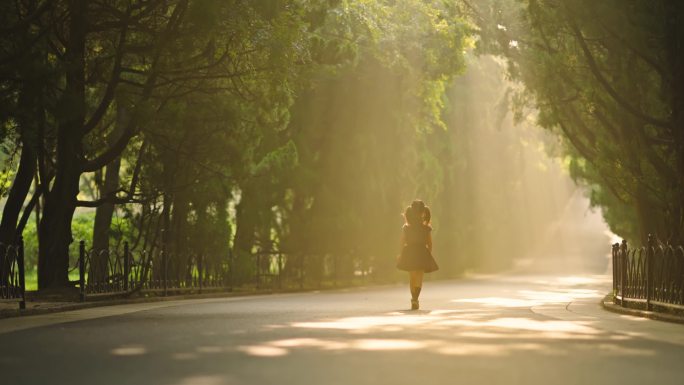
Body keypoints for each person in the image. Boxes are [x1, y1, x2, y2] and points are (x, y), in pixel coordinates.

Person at [396, 200, 439, 310]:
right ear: (423, 213)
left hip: (410, 252)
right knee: (419, 276)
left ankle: (413, 299)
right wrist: (428, 254)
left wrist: (400, 254)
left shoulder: (406, 228)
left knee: (412, 277)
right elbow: (430, 243)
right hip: (421, 252)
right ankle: (415, 298)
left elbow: (402, 241)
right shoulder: (426, 228)